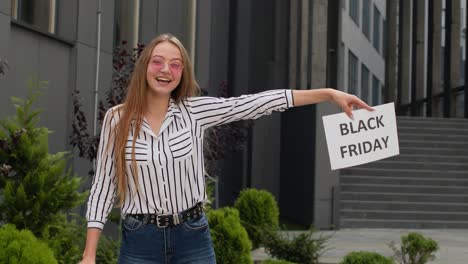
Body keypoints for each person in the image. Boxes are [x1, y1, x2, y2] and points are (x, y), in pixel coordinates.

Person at [80, 33, 372, 264]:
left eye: (175, 64)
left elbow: (255, 103)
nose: (166, 70)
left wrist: (329, 94)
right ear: (144, 67)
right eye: (158, 61)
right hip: (139, 239)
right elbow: (104, 187)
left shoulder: (194, 111)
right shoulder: (117, 119)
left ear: (183, 72)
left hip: (191, 235)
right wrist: (89, 255)